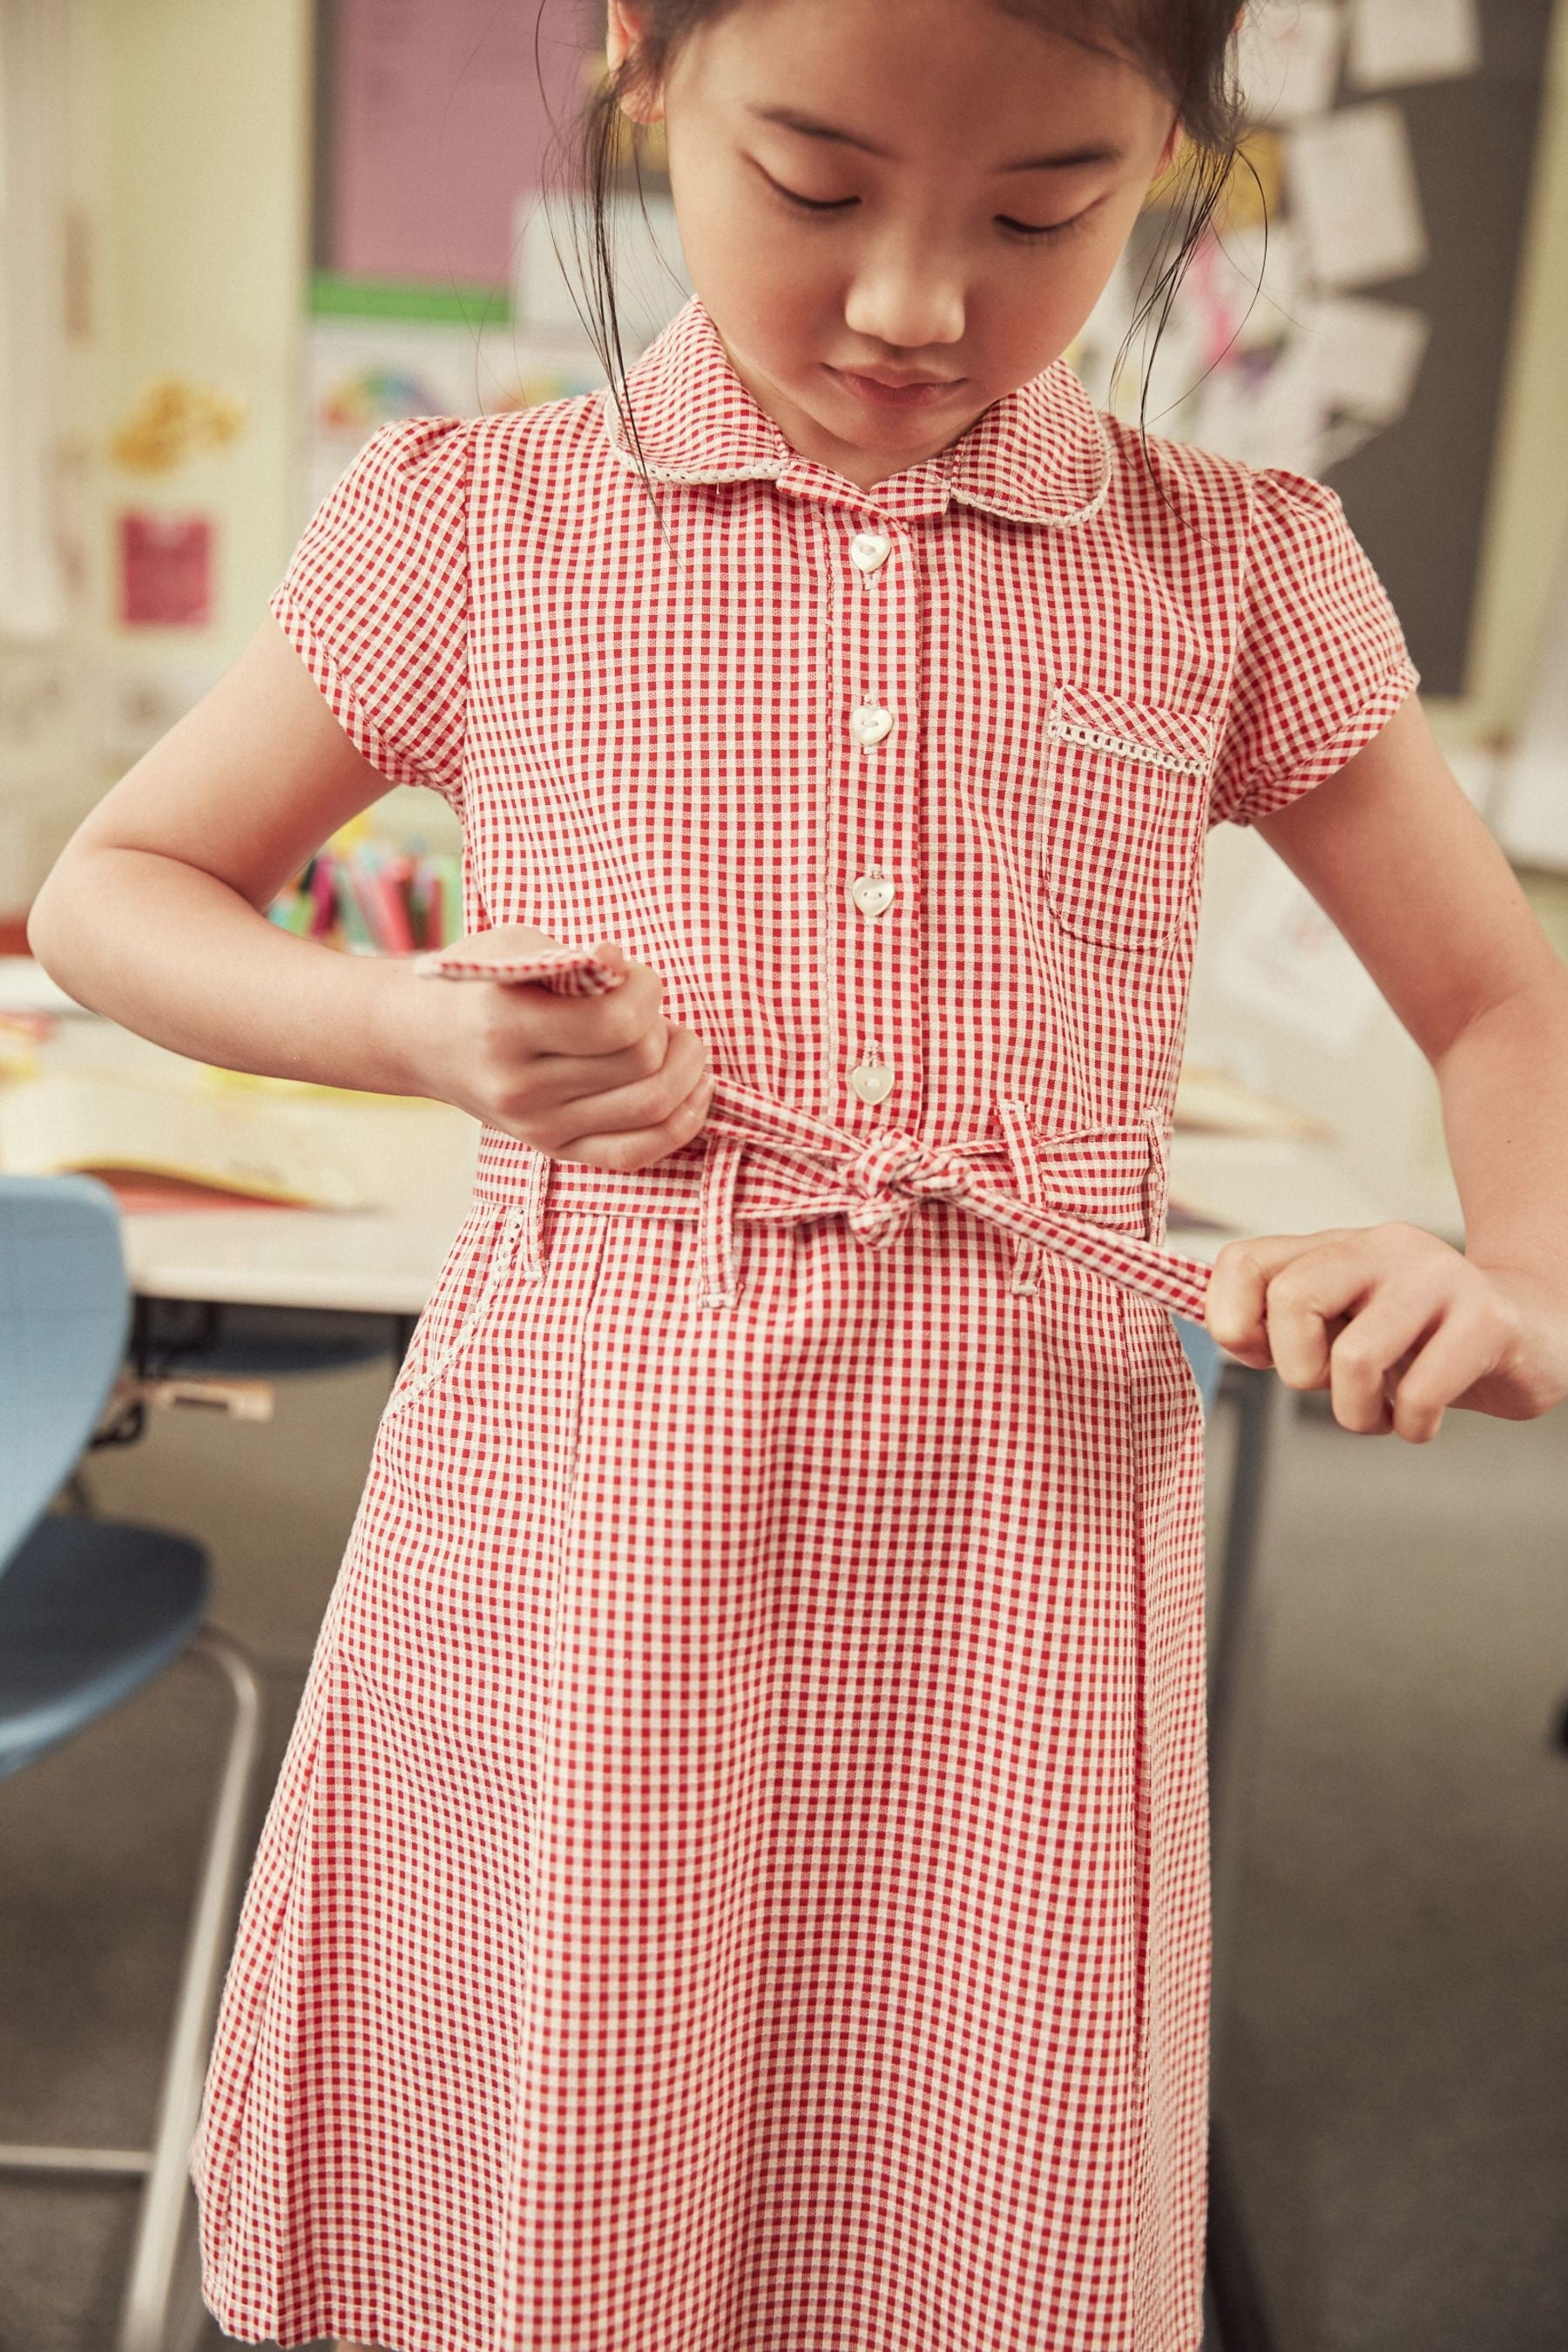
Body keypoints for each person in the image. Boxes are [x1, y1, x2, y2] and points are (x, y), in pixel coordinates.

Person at [28, 3, 1568, 2349]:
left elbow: (1502, 998)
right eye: (822, 184)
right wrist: (413, 1026)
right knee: (562, 2156)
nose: (919, 305)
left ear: (1174, 151)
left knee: (958, 2185)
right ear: (645, 59)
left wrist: (1522, 1268)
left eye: (1048, 209)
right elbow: (116, 884)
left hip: (1014, 1552)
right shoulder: (477, 523)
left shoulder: (1235, 565)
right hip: (585, 1525)